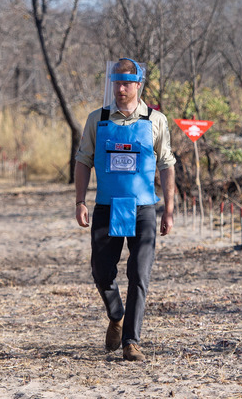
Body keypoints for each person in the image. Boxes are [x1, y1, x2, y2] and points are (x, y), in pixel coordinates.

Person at [74, 58, 176, 362]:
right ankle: (116, 314)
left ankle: (132, 340)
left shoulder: (156, 120)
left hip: (143, 207)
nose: (121, 88)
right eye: (116, 82)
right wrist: (80, 200)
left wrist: (168, 209)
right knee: (101, 271)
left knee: (139, 272)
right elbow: (83, 160)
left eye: (127, 83)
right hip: (107, 206)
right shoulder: (98, 119)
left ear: (138, 84)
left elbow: (167, 164)